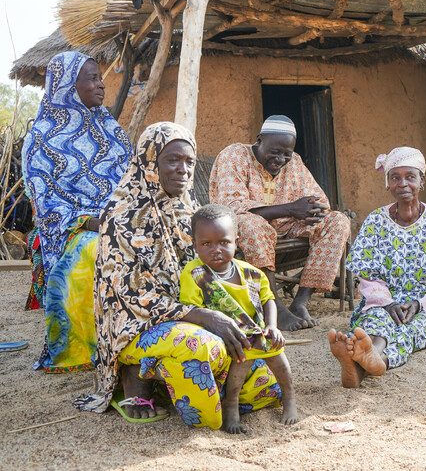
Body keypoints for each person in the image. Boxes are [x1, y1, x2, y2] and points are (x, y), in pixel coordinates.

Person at [74, 122, 283, 429]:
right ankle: (136, 376)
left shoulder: (189, 211)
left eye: (189, 161)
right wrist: (205, 316)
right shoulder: (122, 217)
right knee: (206, 349)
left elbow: (208, 272)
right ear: (149, 162)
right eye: (172, 160)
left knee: (269, 385)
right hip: (138, 324)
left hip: (190, 315)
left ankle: (173, 378)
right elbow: (136, 299)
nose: (183, 170)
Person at [21, 51, 132, 372]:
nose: (102, 85)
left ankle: (142, 336)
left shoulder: (109, 128)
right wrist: (92, 221)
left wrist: (131, 213)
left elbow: (133, 178)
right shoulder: (42, 137)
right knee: (96, 251)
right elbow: (44, 200)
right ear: (69, 84)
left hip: (120, 219)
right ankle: (86, 349)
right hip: (73, 231)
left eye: (100, 77)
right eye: (93, 78)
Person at [328, 147, 426, 388]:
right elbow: (368, 276)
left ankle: (372, 362)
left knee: (414, 327)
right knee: (375, 319)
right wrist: (388, 303)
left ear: (422, 181)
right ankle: (368, 357)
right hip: (385, 300)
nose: (403, 183)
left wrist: (420, 304)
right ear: (387, 184)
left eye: (410, 177)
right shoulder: (376, 221)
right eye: (395, 177)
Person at [209, 115, 351, 331]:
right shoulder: (234, 155)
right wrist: (290, 208)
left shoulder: (294, 162)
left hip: (287, 229)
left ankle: (301, 302)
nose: (280, 159)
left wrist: (312, 210)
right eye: (274, 152)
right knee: (252, 224)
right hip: (244, 231)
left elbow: (320, 201)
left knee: (338, 221)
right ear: (259, 140)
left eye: (286, 154)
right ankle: (272, 305)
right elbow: (231, 206)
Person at [180, 204, 298, 432]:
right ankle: (231, 406)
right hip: (226, 338)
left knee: (278, 357)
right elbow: (192, 310)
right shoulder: (194, 274)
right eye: (206, 244)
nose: (216, 249)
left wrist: (273, 327)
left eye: (224, 242)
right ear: (194, 244)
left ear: (236, 240)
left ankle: (290, 398)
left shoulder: (251, 273)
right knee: (238, 368)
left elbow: (268, 299)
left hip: (256, 333)